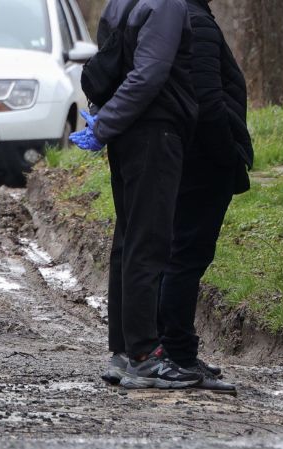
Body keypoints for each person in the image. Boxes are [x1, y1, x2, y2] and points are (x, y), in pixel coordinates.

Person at [71, 0, 201, 389]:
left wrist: (106, 124)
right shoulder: (167, 6)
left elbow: (110, 67)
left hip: (127, 135)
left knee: (127, 242)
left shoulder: (122, 4)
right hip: (153, 133)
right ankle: (145, 355)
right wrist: (105, 125)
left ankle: (124, 352)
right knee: (148, 243)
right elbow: (148, 75)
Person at [158, 0, 253, 394]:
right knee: (188, 256)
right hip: (203, 159)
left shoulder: (183, 15)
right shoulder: (194, 20)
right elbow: (207, 99)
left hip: (187, 154)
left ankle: (171, 350)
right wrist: (226, 152)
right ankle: (177, 355)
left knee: (180, 254)